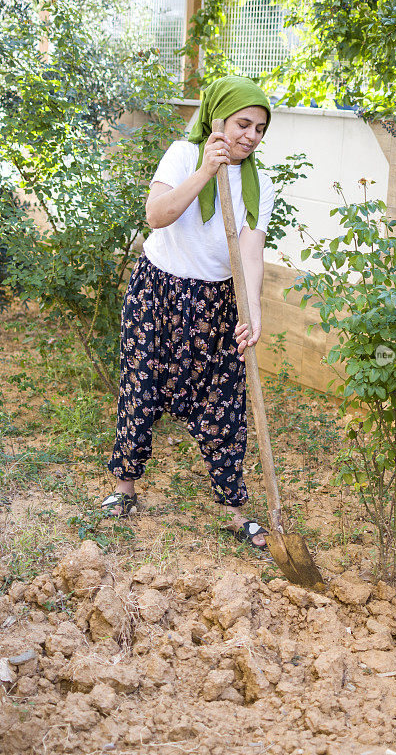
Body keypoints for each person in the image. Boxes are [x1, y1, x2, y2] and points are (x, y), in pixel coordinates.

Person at [101, 76, 275, 549]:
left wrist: (252, 308)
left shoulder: (261, 184)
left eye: (260, 129)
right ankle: (124, 490)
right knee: (140, 390)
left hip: (216, 304)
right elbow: (155, 215)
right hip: (158, 292)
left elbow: (252, 252)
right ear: (218, 118)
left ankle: (237, 512)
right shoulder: (182, 154)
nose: (251, 136)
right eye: (243, 124)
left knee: (224, 405)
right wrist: (204, 171)